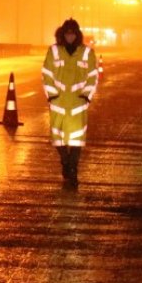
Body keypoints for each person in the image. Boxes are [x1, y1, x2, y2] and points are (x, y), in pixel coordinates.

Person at [41, 18, 98, 188]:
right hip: (58, 103)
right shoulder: (54, 51)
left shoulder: (87, 53)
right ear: (63, 34)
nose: (70, 37)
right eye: (67, 33)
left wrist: (87, 96)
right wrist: (51, 96)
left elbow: (93, 76)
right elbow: (47, 74)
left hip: (78, 104)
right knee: (58, 140)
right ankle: (65, 162)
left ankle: (73, 170)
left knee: (76, 141)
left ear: (77, 34)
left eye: (73, 33)